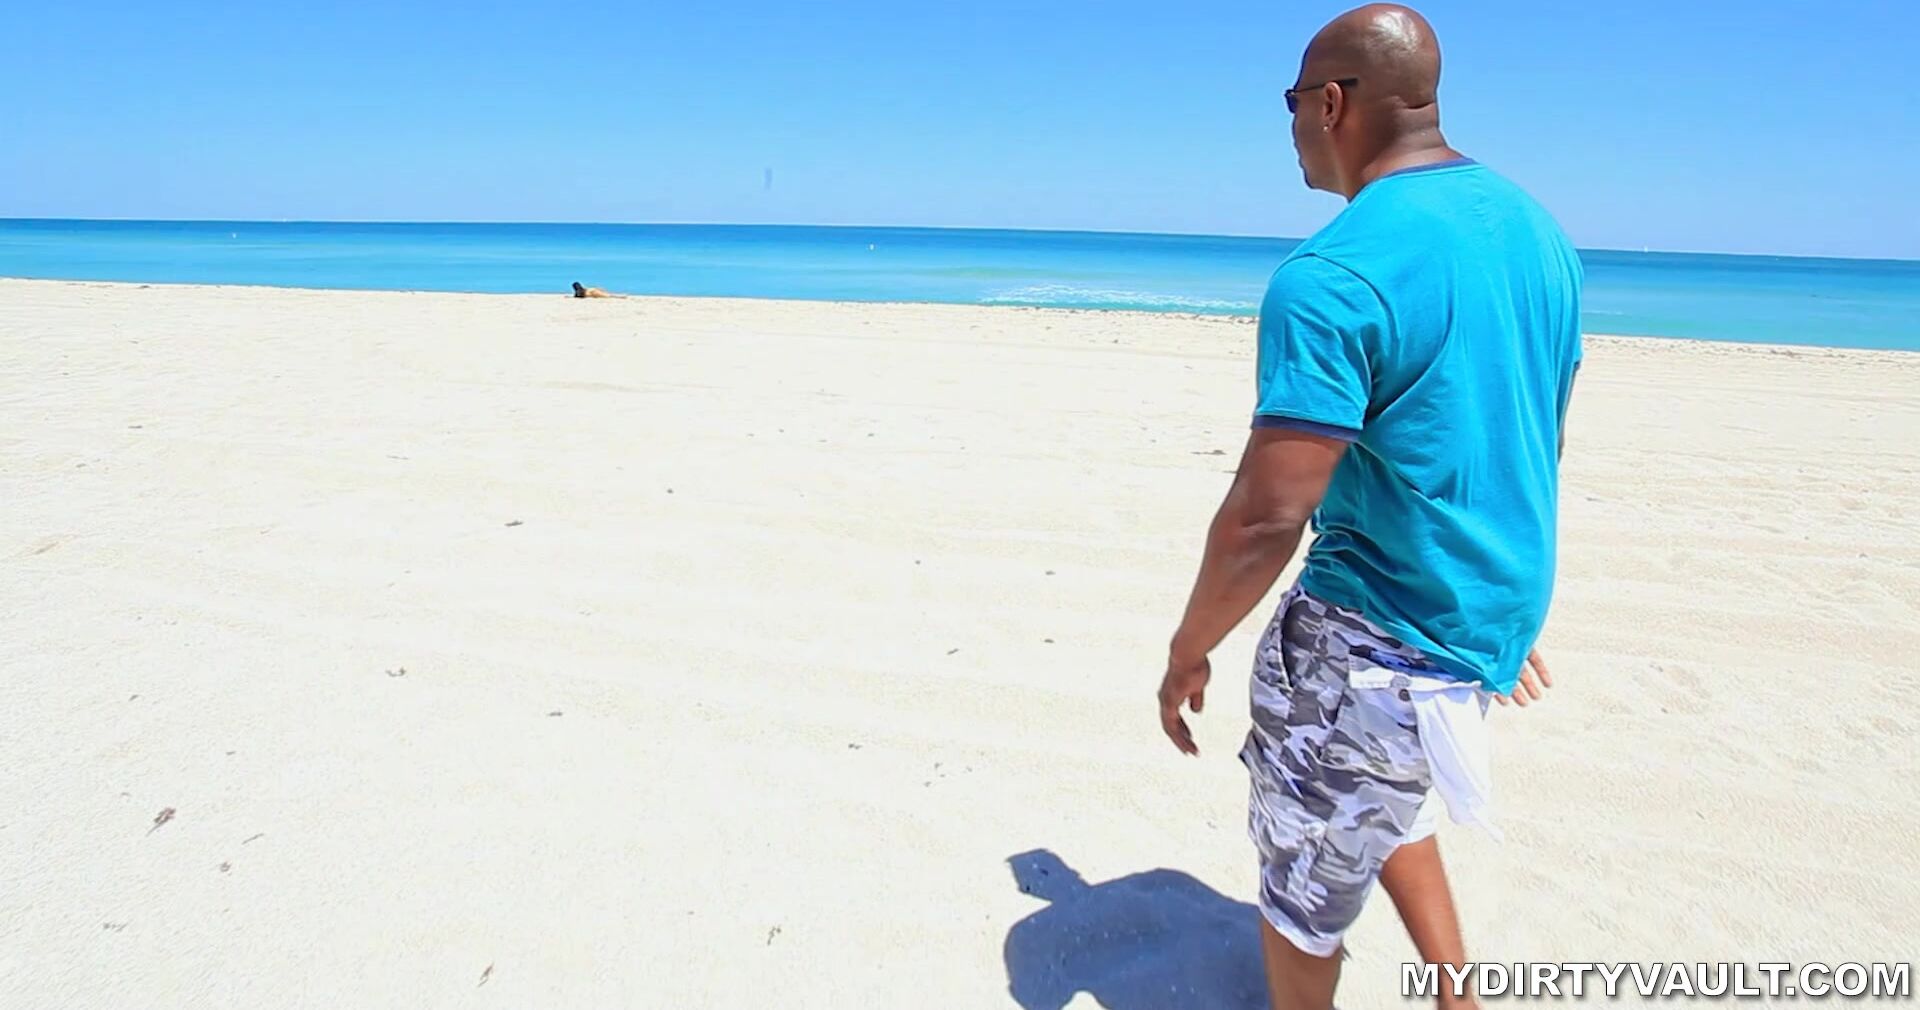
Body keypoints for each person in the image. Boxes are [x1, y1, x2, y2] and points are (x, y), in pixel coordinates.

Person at [1154, 5, 1582, 1009]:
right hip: (1469, 620)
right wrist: (1495, 602)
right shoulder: (1536, 230)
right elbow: (1529, 436)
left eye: (1293, 102)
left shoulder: (1333, 273)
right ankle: (1457, 993)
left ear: (1333, 104)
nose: (1293, 125)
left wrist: (1187, 648)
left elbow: (1268, 513)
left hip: (1368, 633)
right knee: (1381, 788)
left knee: (1304, 888)